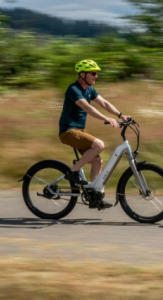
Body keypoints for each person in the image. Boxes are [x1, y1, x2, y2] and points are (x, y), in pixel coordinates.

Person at [59, 59, 129, 209]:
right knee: (99, 145)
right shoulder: (74, 89)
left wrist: (120, 115)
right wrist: (106, 119)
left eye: (96, 74)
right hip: (68, 131)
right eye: (93, 73)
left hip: (79, 131)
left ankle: (94, 196)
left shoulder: (90, 90)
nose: (96, 76)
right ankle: (73, 172)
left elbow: (104, 103)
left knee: (97, 161)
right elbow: (87, 108)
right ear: (83, 74)